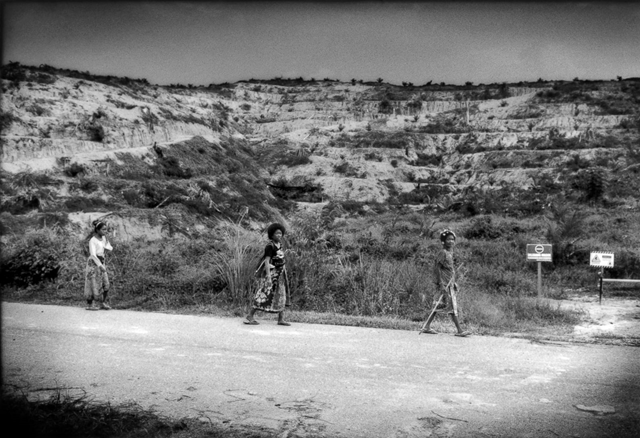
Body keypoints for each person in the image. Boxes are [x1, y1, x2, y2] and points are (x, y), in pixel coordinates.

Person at [420, 229, 470, 337]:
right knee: (449, 306)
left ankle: (427, 326)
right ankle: (459, 331)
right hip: (444, 285)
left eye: (452, 239)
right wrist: (441, 284)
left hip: (449, 284)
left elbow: (449, 270)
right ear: (443, 241)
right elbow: (437, 269)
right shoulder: (442, 253)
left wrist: (454, 282)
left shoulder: (450, 253)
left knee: (439, 305)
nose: (451, 241)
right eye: (448, 239)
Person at [245, 223, 291, 326]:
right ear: (272, 235)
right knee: (264, 293)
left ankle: (281, 318)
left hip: (281, 274)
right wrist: (269, 277)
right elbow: (266, 261)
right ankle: (250, 315)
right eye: (276, 233)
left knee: (281, 294)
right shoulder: (270, 246)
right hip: (273, 274)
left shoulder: (280, 244)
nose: (279, 235)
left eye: (280, 233)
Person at [84, 220, 113, 310]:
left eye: (106, 229)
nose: (105, 231)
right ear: (97, 230)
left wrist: (108, 246)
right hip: (94, 263)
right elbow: (93, 254)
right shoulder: (92, 241)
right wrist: (100, 266)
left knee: (105, 283)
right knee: (93, 282)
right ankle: (90, 304)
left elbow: (108, 247)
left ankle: (102, 302)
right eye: (103, 229)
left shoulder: (103, 238)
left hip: (101, 261)